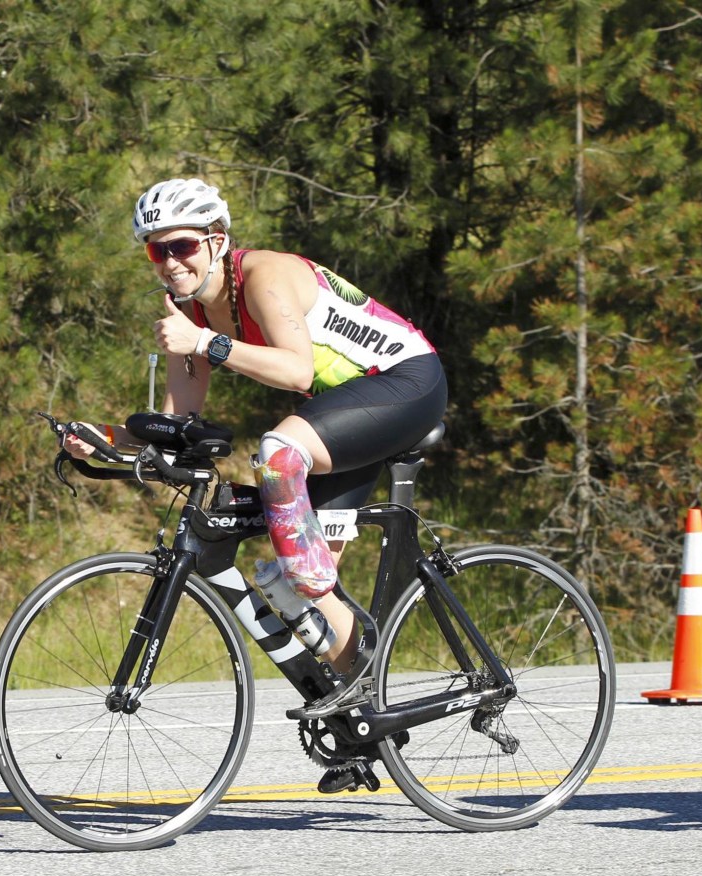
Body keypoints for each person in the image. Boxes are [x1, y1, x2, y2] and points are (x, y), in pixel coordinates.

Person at [66, 177, 447, 791]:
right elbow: (178, 424)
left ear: (217, 240)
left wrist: (206, 343)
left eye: (182, 246)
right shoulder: (185, 313)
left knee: (276, 454)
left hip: (405, 382)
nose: (170, 263)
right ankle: (363, 717)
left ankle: (312, 602)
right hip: (340, 409)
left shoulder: (263, 276)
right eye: (154, 251)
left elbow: (295, 367)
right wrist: (104, 437)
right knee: (302, 590)